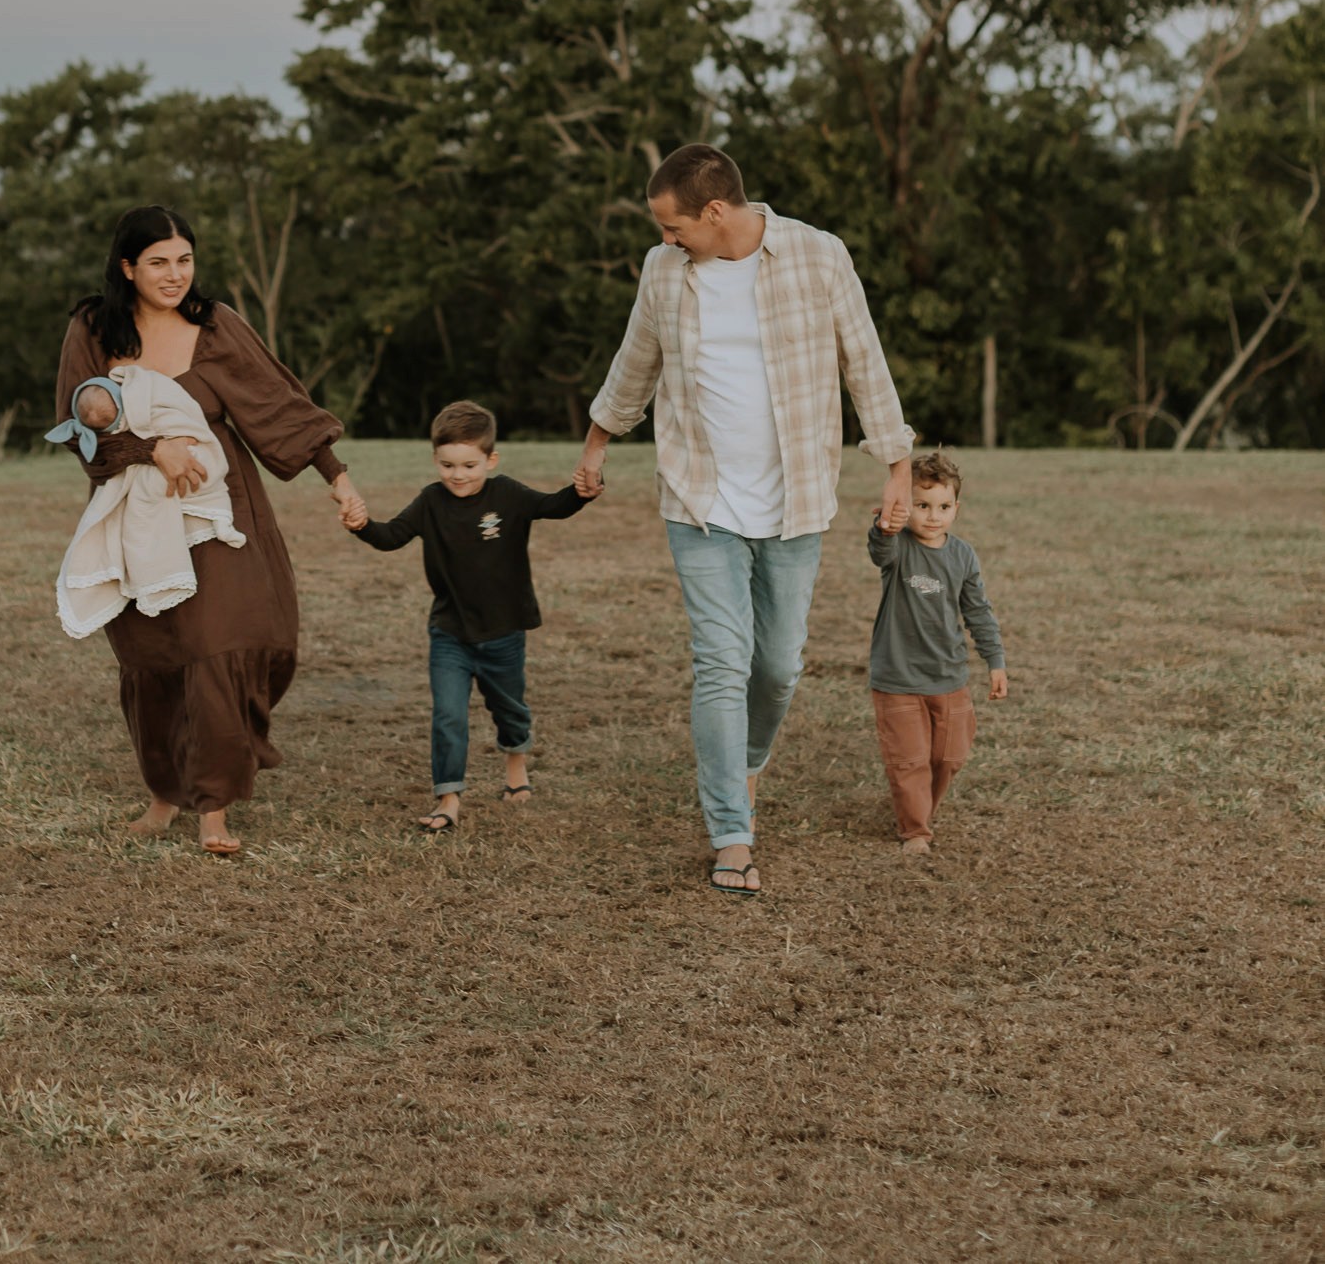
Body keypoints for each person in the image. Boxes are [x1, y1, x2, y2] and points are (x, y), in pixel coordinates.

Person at [575, 143, 915, 897]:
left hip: (794, 497)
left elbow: (864, 359)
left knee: (778, 665)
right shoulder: (663, 271)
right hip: (699, 497)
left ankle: (748, 763)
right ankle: (731, 831)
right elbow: (636, 361)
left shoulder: (817, 256)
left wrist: (896, 463)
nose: (665, 239)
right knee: (722, 663)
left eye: (673, 226)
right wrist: (598, 443)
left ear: (715, 212)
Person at [55, 204, 366, 856]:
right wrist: (150, 449)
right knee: (155, 654)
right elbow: (82, 429)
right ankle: (166, 793)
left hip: (220, 507)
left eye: (185, 260)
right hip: (136, 514)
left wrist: (336, 477)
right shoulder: (93, 330)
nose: (175, 275)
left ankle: (214, 808)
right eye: (159, 263)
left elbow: (281, 406)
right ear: (127, 267)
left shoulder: (217, 324)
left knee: (226, 643)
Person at [340, 400, 595, 833]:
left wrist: (583, 491)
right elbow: (390, 537)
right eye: (448, 465)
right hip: (450, 633)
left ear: (490, 460)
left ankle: (516, 762)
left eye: (470, 465)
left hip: (503, 632)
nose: (458, 475)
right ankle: (448, 798)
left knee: (509, 708)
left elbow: (556, 505)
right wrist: (361, 524)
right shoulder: (430, 501)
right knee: (448, 715)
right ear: (435, 459)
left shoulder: (508, 495)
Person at [867, 449, 1007, 854]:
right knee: (909, 759)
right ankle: (915, 831)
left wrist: (995, 661)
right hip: (897, 678)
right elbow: (879, 551)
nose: (932, 515)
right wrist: (884, 526)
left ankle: (921, 806)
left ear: (956, 509)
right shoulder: (898, 549)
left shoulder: (963, 556)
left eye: (943, 506)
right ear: (905, 505)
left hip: (949, 676)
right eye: (922, 505)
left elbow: (978, 611)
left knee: (949, 757)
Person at [46, 367, 245, 639]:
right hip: (156, 468)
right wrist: (151, 448)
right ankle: (197, 534)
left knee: (157, 491)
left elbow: (175, 411)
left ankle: (214, 519)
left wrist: (174, 436)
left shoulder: (145, 391)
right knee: (148, 495)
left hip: (183, 452)